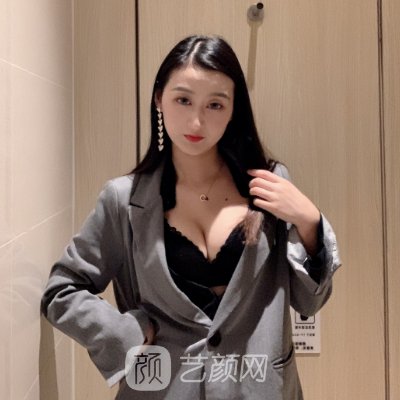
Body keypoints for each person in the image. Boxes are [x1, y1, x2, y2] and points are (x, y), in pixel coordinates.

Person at [41, 35, 341, 400]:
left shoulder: (270, 187)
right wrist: (124, 331)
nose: (196, 121)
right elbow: (62, 291)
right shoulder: (124, 200)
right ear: (159, 99)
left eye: (215, 104)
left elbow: (309, 302)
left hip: (260, 387)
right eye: (183, 100)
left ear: (234, 110)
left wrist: (309, 222)